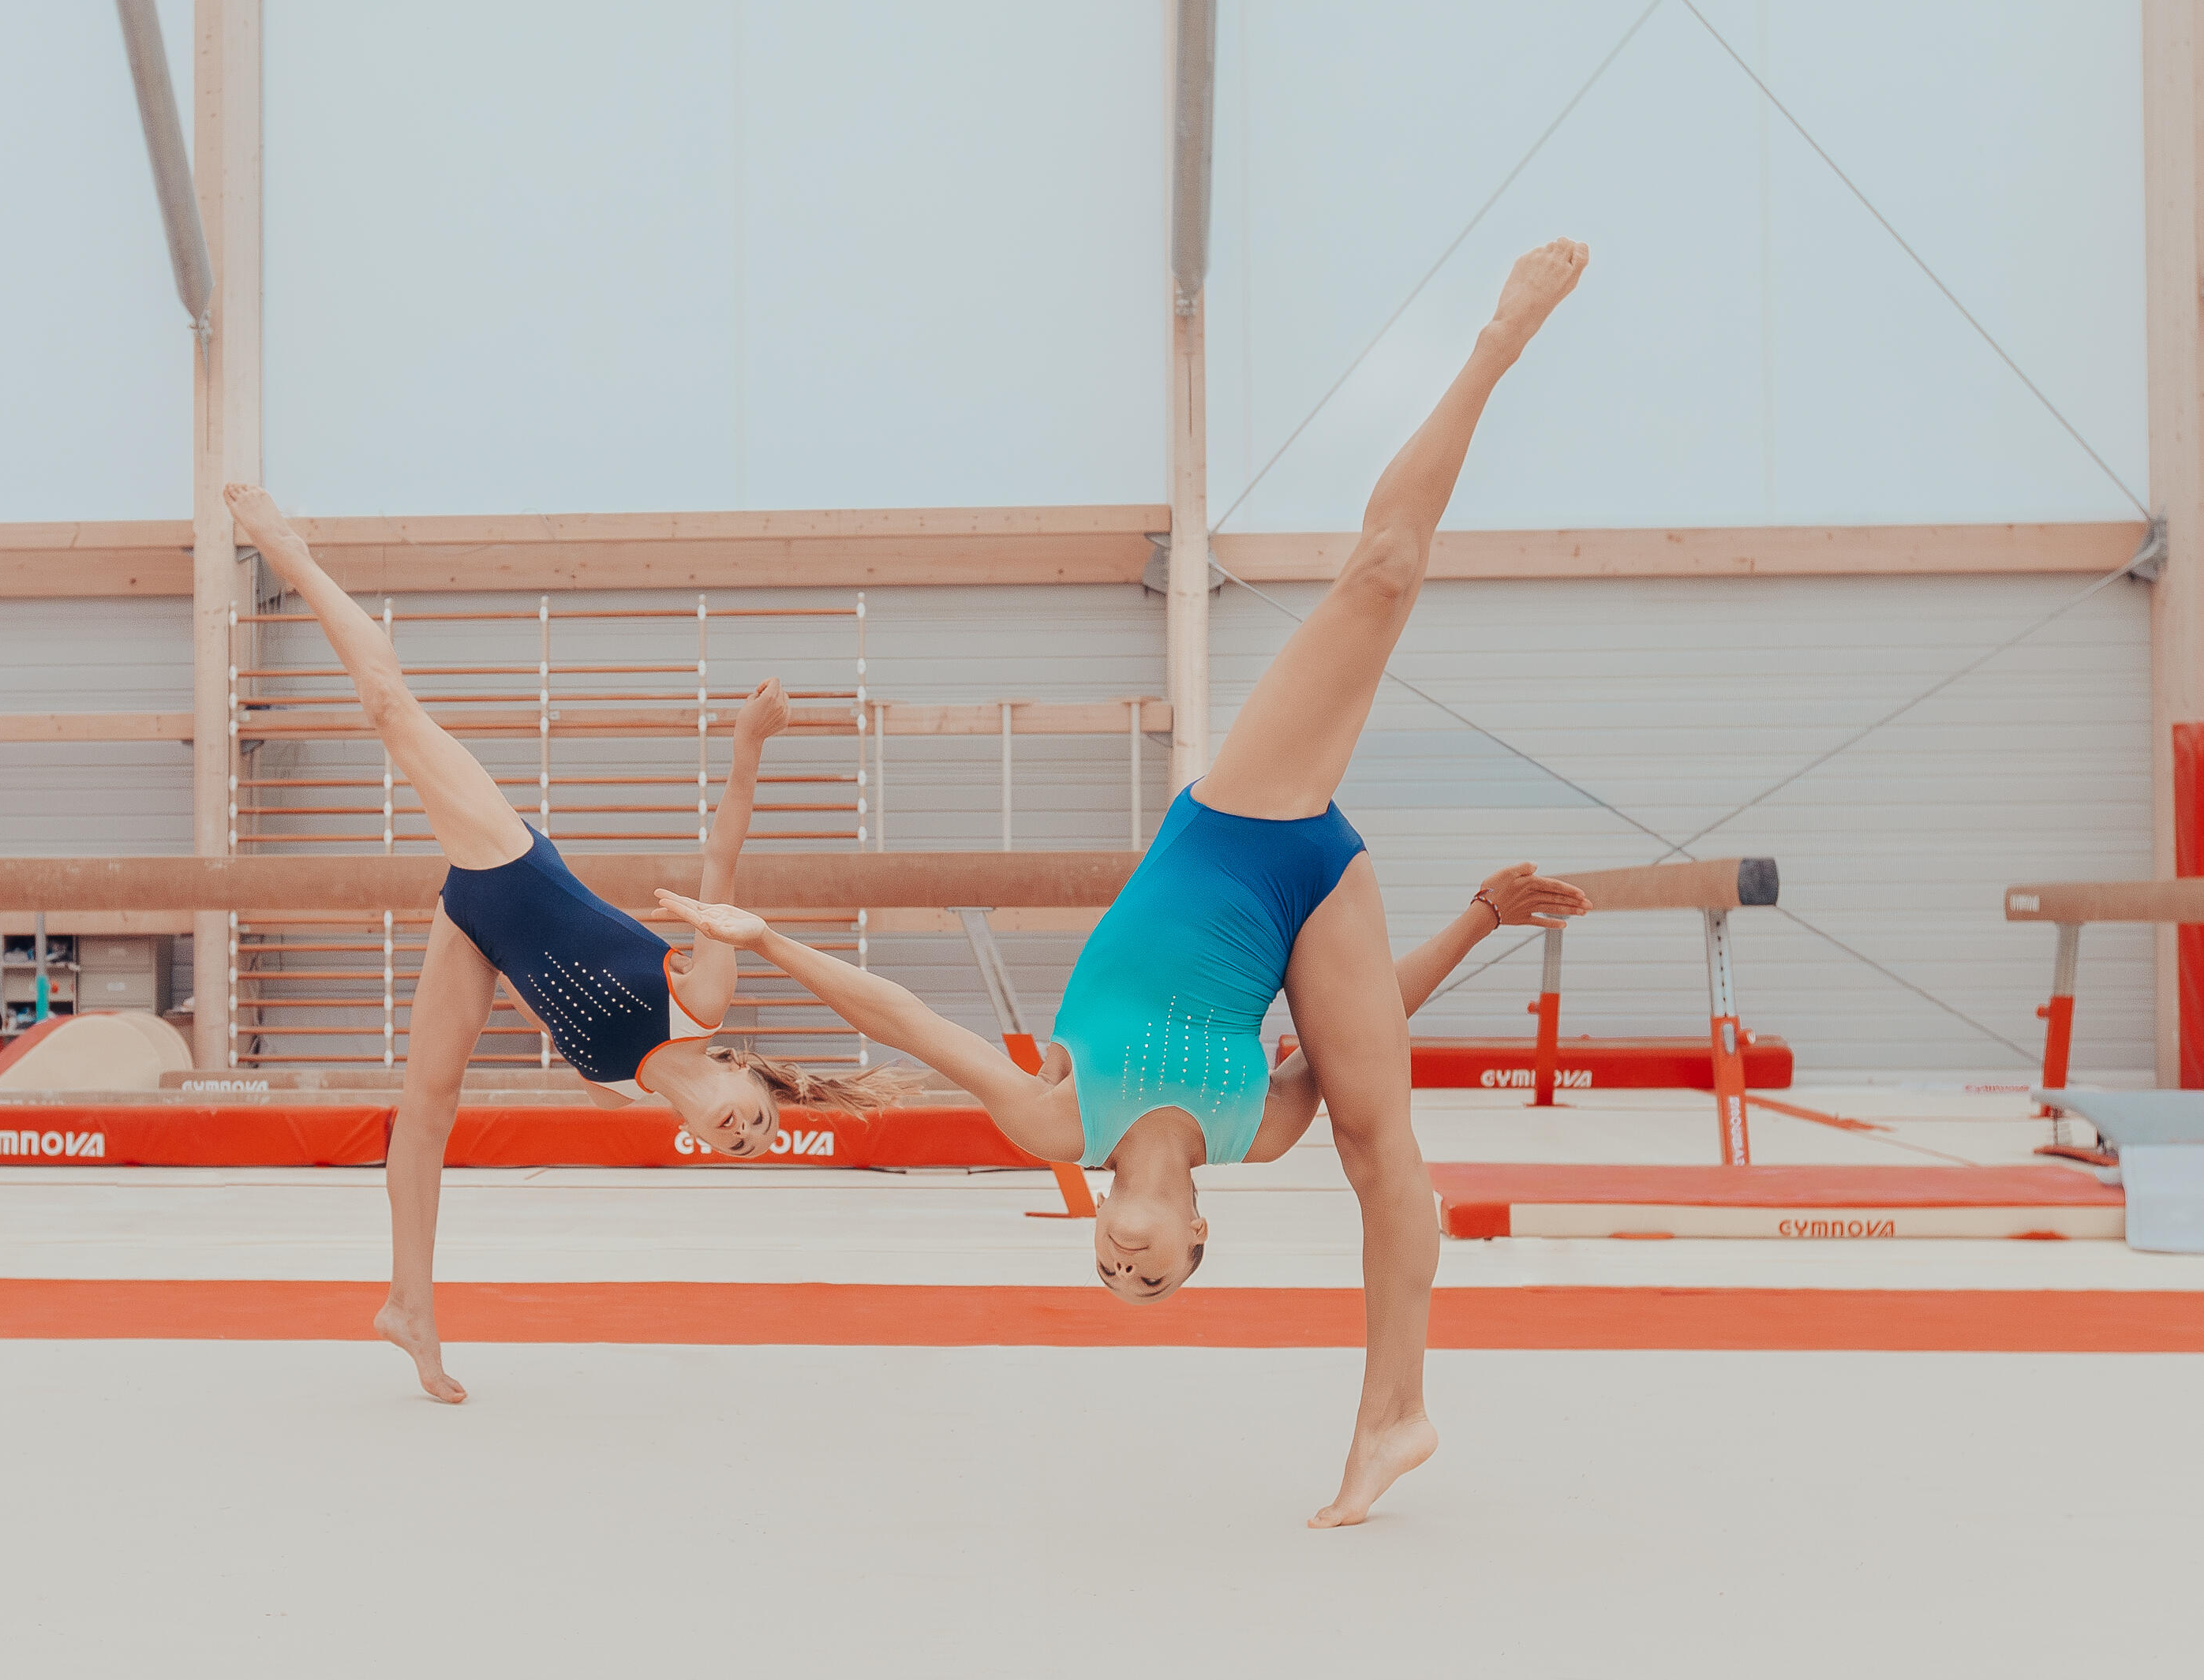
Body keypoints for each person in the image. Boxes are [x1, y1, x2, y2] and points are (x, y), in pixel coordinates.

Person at [657, 238, 1591, 1526]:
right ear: (1199, 1239)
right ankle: (1395, 1415)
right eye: (1156, 1282)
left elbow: (911, 1025)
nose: (1127, 1267)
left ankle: (1496, 342)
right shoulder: (1256, 1132)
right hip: (1318, 895)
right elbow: (1372, 1016)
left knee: (1382, 573)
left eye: (1114, 1276)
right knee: (1385, 1144)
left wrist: (767, 942)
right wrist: (1480, 918)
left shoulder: (1059, 1125)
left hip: (1235, 831)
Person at [222, 484, 907, 1404]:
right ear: (746, 1072)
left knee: (426, 1109)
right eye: (762, 1119)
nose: (747, 1133)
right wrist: (749, 746)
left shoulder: (617, 1095)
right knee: (388, 708)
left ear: (701, 1140)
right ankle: (290, 551)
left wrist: (489, 958)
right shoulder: (704, 999)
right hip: (512, 862)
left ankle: (408, 1304)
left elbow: (538, 993)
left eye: (741, 1147)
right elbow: (723, 853)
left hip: (478, 928)